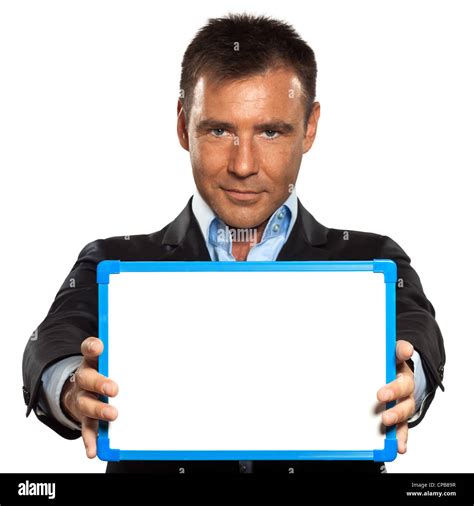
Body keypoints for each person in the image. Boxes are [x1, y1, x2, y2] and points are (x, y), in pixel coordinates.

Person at [22, 13, 445, 475]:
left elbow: (419, 330)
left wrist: (410, 379)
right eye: (219, 130)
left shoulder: (372, 258)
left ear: (309, 128)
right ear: (184, 126)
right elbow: (53, 340)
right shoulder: (113, 261)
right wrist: (71, 389)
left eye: (271, 131)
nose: (243, 165)